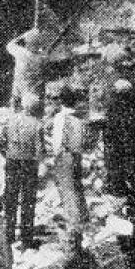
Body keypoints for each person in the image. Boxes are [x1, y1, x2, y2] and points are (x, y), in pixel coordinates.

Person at [0, 93, 44, 249]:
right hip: (29, 164)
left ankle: (9, 234)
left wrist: (8, 155)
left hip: (12, 162)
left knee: (10, 198)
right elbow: (40, 150)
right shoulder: (37, 125)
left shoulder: (10, 121)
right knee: (28, 201)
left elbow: (0, 144)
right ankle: (26, 238)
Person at [103, 79, 135, 197]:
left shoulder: (115, 105)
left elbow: (109, 124)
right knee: (131, 169)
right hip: (128, 142)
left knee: (128, 168)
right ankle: (128, 191)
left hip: (124, 143)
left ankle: (124, 191)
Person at [52, 86, 88, 232]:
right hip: (77, 155)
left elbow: (58, 141)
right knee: (77, 186)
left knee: (67, 189)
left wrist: (56, 155)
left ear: (61, 101)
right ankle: (83, 219)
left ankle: (74, 223)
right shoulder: (79, 118)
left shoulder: (61, 118)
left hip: (65, 155)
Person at [6, 28, 47, 107]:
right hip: (32, 92)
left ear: (27, 43)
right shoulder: (42, 57)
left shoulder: (21, 52)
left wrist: (23, 35)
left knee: (15, 109)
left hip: (19, 88)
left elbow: (9, 45)